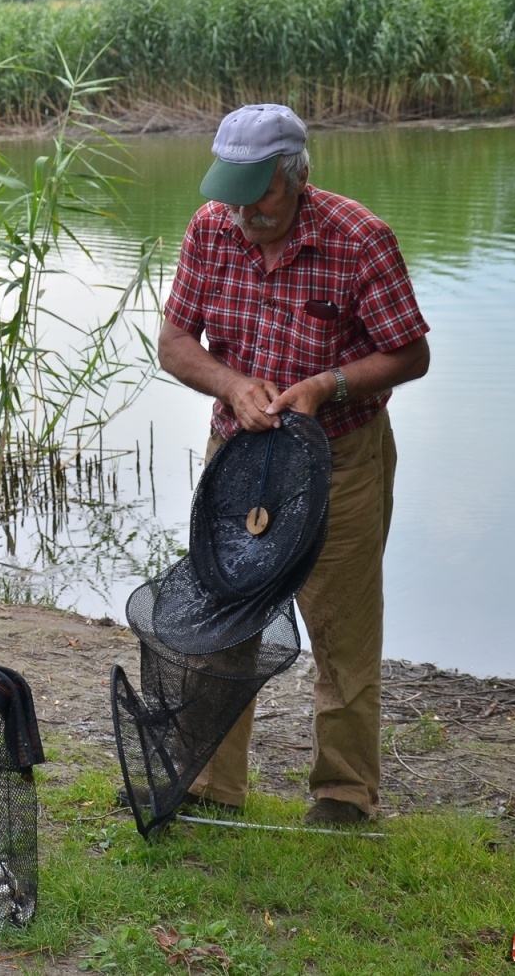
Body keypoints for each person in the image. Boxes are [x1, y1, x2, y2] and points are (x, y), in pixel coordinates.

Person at [158, 104, 431, 825]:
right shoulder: (211, 229)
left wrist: (325, 386)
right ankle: (213, 785)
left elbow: (411, 353)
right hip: (239, 458)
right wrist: (230, 384)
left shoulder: (359, 238)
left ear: (297, 175)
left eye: (261, 192)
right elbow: (176, 341)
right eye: (233, 191)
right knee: (223, 618)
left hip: (337, 457)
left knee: (342, 632)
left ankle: (343, 795)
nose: (245, 210)